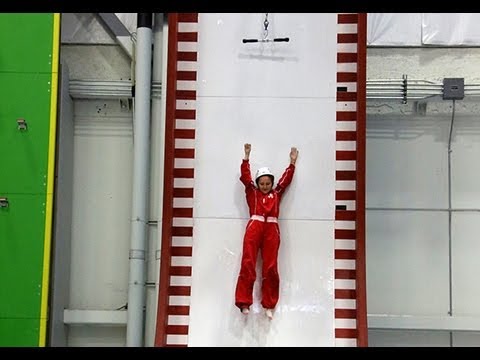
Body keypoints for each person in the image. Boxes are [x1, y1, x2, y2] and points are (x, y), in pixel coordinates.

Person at [235, 143, 298, 320]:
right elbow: (246, 177)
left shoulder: (276, 193)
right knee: (248, 263)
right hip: (254, 227)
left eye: (267, 183)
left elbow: (285, 181)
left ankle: (269, 304)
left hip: (271, 229)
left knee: (271, 267)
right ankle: (243, 301)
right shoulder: (252, 193)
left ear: (271, 182)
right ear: (257, 184)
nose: (264, 186)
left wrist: (292, 164)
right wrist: (246, 157)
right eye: (261, 183)